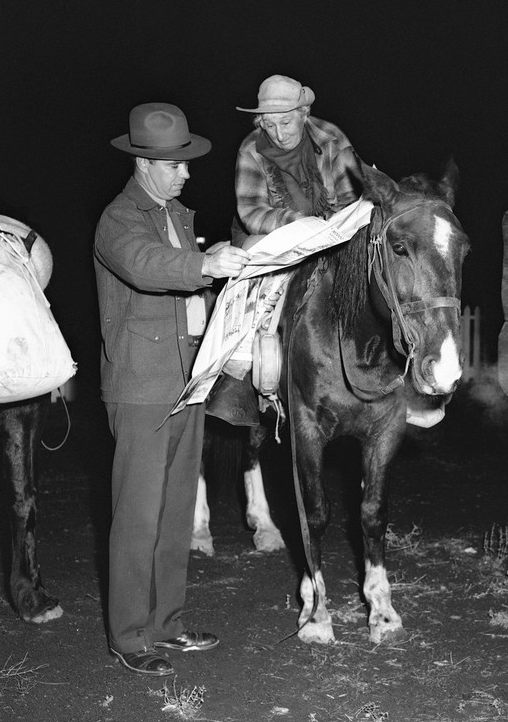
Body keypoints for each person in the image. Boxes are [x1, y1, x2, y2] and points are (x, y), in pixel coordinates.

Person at [95, 102, 251, 676]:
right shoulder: (119, 218)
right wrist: (205, 265)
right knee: (137, 515)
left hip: (187, 381)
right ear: (143, 162)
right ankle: (130, 637)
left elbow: (190, 290)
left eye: (185, 163)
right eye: (174, 164)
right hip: (140, 386)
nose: (186, 173)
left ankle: (167, 626)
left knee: (176, 509)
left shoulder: (179, 215)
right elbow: (144, 265)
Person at [205, 74, 361, 426]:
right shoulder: (251, 148)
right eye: (269, 124)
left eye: (286, 122)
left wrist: (334, 226)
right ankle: (239, 372)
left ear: (305, 113)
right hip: (271, 230)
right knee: (249, 273)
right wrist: (299, 223)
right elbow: (251, 210)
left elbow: (354, 196)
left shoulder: (332, 139)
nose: (277, 133)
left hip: (333, 228)